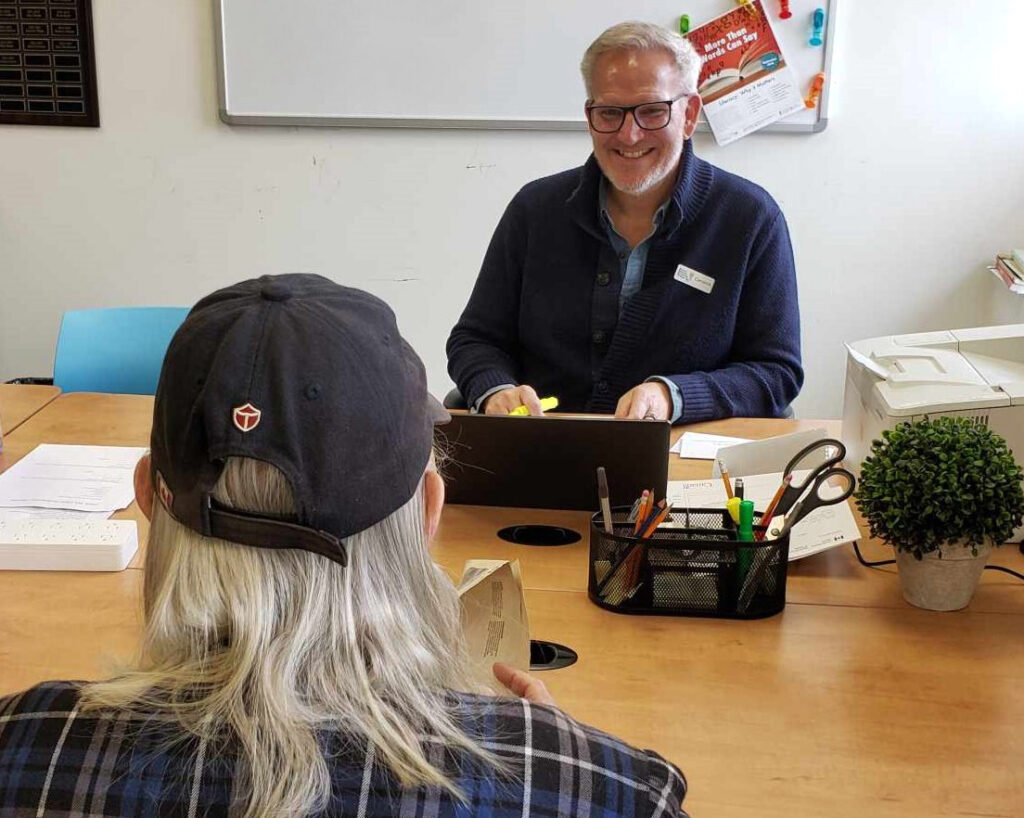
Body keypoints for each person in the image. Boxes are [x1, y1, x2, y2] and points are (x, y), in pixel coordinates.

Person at [0, 274, 688, 818]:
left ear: (150, 497)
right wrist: (551, 762)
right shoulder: (614, 795)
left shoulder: (21, 747)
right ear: (427, 511)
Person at [447, 21, 802, 423]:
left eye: (653, 111)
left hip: (679, 451)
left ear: (689, 115)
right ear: (589, 116)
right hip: (544, 446)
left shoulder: (749, 218)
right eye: (610, 112)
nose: (629, 135)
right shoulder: (535, 209)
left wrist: (674, 396)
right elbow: (475, 340)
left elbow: (776, 373)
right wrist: (496, 390)